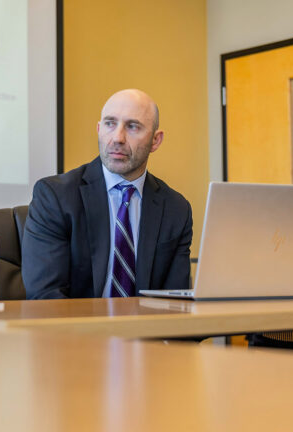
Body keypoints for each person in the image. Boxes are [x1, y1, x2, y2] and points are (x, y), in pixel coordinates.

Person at [22, 88, 192, 299]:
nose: (118, 138)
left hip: (148, 330)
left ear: (156, 141)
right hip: (75, 330)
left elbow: (175, 302)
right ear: (99, 129)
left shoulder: (175, 209)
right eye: (110, 124)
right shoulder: (55, 197)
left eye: (132, 126)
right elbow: (45, 297)